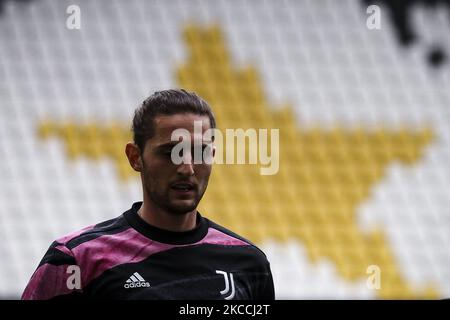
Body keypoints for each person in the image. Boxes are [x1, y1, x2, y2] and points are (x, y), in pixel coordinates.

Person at [22, 89, 275, 300]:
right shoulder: (76, 259)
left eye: (199, 152)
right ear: (135, 157)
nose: (187, 168)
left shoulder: (249, 263)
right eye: (170, 152)